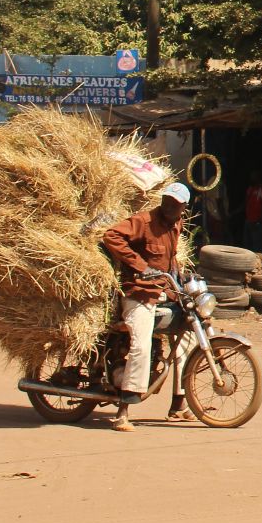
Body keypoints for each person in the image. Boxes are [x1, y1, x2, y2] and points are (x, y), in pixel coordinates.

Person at [100, 182, 191, 432]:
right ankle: (123, 410)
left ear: (183, 207)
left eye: (176, 204)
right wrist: (141, 266)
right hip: (139, 292)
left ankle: (179, 403)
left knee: (185, 338)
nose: (170, 206)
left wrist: (181, 282)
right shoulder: (143, 221)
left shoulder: (176, 225)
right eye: (167, 201)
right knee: (142, 344)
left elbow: (170, 258)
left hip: (166, 291)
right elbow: (111, 236)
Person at [242, 171, 262, 251]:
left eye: (253, 177)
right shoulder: (250, 189)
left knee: (257, 245)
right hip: (248, 220)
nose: (251, 178)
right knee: (247, 244)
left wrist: (261, 221)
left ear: (258, 178)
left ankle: (259, 262)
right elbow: (246, 204)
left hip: (257, 221)